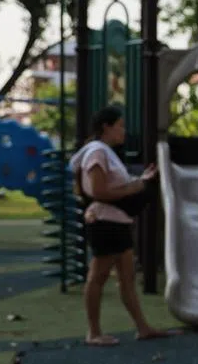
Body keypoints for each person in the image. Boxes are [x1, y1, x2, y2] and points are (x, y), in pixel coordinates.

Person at [70, 105, 177, 346]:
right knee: (98, 276)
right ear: (106, 127)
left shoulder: (106, 153)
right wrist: (137, 186)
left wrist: (141, 181)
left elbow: (116, 186)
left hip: (118, 222)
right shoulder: (96, 152)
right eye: (120, 125)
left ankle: (143, 327)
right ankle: (94, 332)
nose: (124, 131)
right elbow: (98, 190)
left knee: (127, 277)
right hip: (105, 221)